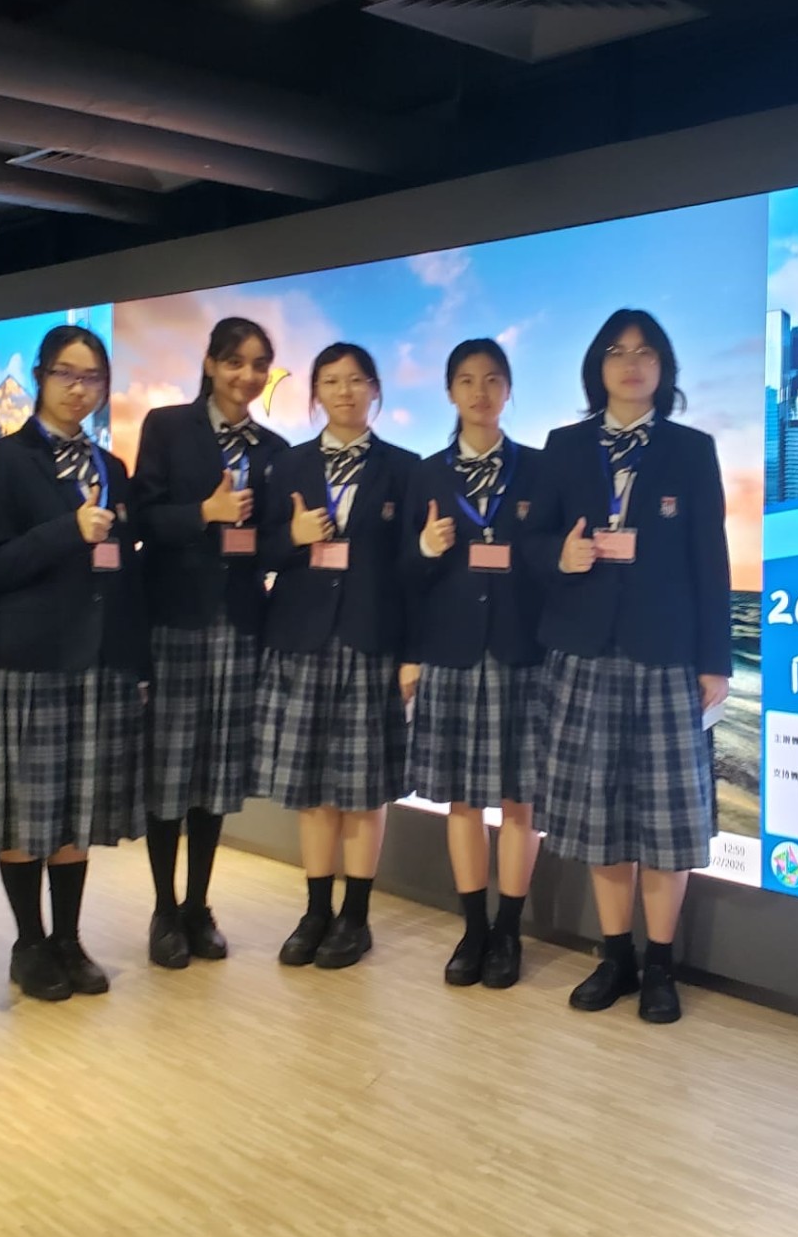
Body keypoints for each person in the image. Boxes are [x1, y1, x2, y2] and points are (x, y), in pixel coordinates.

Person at [518, 309, 731, 1025]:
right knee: (599, 815)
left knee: (666, 822)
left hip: (666, 654)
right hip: (583, 652)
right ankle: (615, 958)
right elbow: (530, 543)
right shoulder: (564, 446)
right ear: (597, 367)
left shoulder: (692, 450)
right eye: (617, 351)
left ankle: (661, 966)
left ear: (663, 367)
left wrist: (715, 660)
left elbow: (711, 561)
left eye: (645, 352)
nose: (631, 363)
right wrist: (560, 554)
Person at [0, 325, 144, 1002]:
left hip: (97, 658)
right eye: (66, 374)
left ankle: (68, 939)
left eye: (91, 377)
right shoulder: (3, 461)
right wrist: (65, 531)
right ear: (41, 377)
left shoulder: (111, 466)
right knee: (24, 810)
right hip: (29, 658)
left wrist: (132, 660)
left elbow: (124, 567)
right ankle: (28, 942)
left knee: (77, 808)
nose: (78, 388)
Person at [253, 343, 416, 970]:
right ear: (315, 393)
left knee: (364, 792)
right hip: (302, 639)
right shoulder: (288, 465)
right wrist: (292, 539)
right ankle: (315, 911)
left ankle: (356, 917)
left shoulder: (403, 468)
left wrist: (410, 653)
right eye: (330, 381)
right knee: (313, 790)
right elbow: (261, 550)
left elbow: (410, 569)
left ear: (375, 389)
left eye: (355, 380)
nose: (344, 391)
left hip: (372, 642)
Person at [133, 318, 287, 967]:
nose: (246, 376)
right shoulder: (168, 427)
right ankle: (163, 909)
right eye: (234, 362)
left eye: (258, 365)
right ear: (210, 364)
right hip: (177, 620)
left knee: (216, 773)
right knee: (169, 771)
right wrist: (205, 513)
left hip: (241, 624)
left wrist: (295, 537)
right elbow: (142, 517)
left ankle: (198, 906)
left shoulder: (274, 448)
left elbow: (271, 541)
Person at [401, 339, 544, 989]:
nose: (480, 392)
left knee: (519, 800)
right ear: (450, 392)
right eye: (466, 380)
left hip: (522, 654)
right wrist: (425, 549)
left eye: (492, 380)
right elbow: (403, 575)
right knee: (461, 799)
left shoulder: (538, 469)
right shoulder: (425, 475)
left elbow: (552, 564)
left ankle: (508, 932)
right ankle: (473, 930)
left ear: (508, 390)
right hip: (451, 652)